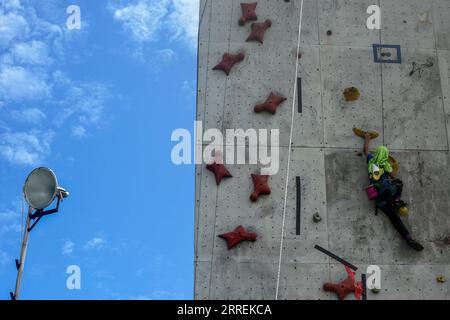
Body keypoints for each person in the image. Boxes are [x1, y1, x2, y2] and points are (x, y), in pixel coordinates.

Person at [363, 133, 424, 251]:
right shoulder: (385, 165)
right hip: (387, 194)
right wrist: (393, 166)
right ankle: (397, 201)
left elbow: (365, 150)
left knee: (393, 218)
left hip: (379, 200)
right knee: (399, 183)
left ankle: (407, 237)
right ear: (385, 155)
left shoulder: (371, 161)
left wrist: (367, 138)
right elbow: (394, 177)